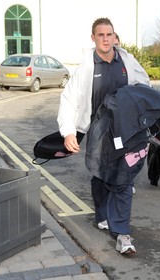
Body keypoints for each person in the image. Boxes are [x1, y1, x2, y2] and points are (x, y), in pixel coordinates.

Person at [57, 17, 150, 254]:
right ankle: (102, 213)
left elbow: (144, 86)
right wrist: (68, 132)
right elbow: (70, 99)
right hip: (99, 132)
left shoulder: (126, 61)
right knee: (100, 176)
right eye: (101, 35)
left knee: (124, 180)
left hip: (126, 131)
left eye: (109, 35)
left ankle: (122, 234)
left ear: (114, 36)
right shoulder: (87, 67)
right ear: (93, 38)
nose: (106, 39)